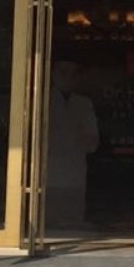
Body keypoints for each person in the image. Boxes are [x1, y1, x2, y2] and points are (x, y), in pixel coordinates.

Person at [46, 59, 100, 229]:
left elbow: (92, 139)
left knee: (73, 219)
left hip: (74, 169)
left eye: (73, 74)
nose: (68, 78)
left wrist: (76, 141)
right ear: (53, 74)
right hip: (47, 169)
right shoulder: (41, 101)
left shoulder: (84, 103)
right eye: (63, 72)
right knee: (47, 220)